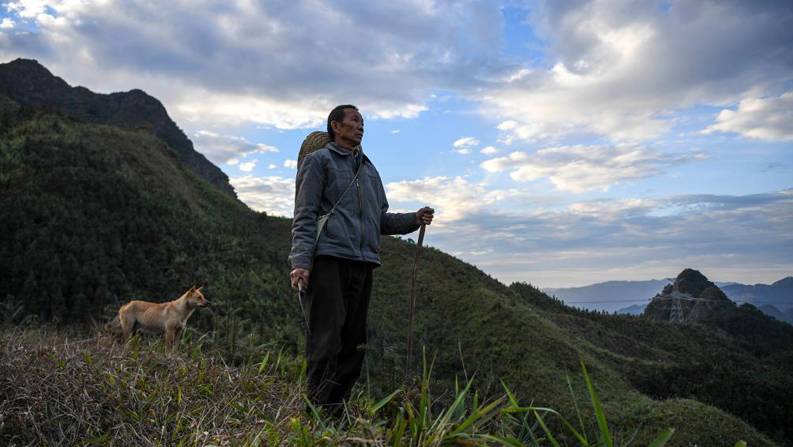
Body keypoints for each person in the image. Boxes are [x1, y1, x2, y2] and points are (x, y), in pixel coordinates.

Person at [289, 104, 434, 414]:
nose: (360, 126)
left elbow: (379, 220)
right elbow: (305, 214)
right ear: (335, 126)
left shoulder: (368, 171)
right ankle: (314, 412)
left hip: (363, 262)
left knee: (354, 344)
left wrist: (413, 219)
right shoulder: (318, 162)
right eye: (354, 120)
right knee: (326, 341)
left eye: (362, 122)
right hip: (328, 259)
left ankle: (334, 412)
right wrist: (301, 261)